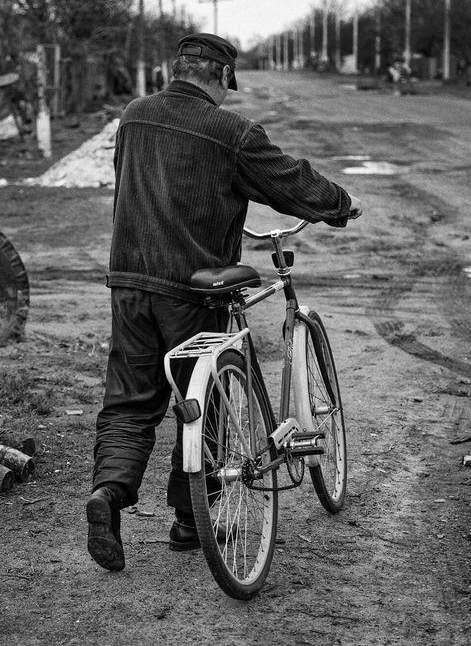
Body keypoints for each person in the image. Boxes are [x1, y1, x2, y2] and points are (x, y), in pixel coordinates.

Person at [86, 32, 360, 572]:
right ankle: (191, 522)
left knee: (129, 401)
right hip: (191, 286)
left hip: (129, 280)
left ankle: (108, 497)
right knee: (204, 397)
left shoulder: (135, 116)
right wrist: (339, 204)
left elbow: (129, 185)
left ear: (177, 69)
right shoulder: (229, 131)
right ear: (218, 78)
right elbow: (288, 181)